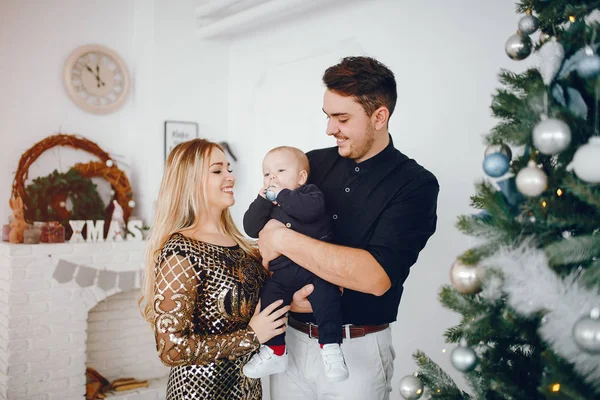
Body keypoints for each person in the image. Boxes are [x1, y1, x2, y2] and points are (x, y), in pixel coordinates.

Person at [257, 56, 440, 399]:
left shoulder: (415, 185)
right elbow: (263, 244)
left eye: (342, 118)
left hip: (357, 352)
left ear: (379, 116)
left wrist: (282, 237)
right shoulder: (310, 163)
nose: (330, 129)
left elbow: (374, 277)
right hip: (289, 342)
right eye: (328, 116)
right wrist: (289, 294)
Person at [139, 139, 291, 400]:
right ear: (191, 181)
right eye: (217, 170)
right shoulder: (180, 250)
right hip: (199, 394)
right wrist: (252, 336)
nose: (230, 176)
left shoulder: (242, 247)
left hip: (248, 391)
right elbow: (171, 349)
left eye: (229, 169)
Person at [241, 146, 348, 382]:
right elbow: (250, 227)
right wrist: (262, 201)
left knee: (326, 297)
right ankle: (275, 350)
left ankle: (331, 347)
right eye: (267, 173)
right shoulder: (268, 203)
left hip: (315, 269)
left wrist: (281, 195)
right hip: (283, 273)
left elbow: (309, 212)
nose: (272, 177)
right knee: (270, 297)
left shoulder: (310, 194)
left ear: (301, 178)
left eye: (280, 170)